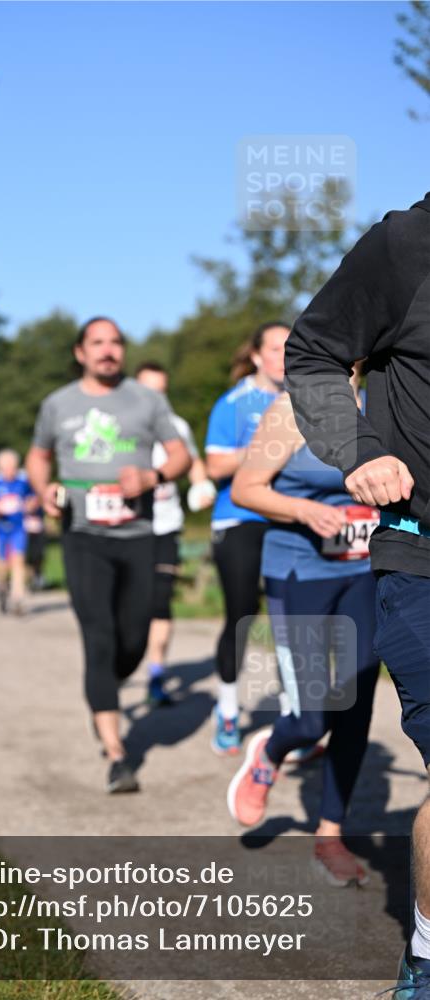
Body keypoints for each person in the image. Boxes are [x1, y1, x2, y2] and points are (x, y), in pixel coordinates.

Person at [283, 192, 430, 993]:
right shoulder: (407, 244)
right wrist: (357, 449)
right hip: (419, 554)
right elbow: (311, 354)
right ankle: (428, 964)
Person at [26, 316, 191, 793]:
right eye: (97, 343)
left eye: (115, 342)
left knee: (133, 641)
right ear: (80, 352)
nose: (107, 350)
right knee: (98, 637)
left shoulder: (147, 399)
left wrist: (153, 477)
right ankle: (118, 754)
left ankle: (105, 690)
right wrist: (44, 489)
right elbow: (38, 456)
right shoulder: (58, 404)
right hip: (82, 535)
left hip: (138, 533)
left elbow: (179, 456)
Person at [227, 373, 379, 884]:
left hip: (366, 571)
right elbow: (246, 489)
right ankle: (270, 751)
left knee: (356, 706)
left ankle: (330, 835)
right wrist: (304, 510)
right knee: (314, 717)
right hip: (300, 571)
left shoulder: (387, 400)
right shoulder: (293, 408)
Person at [204, 322, 290, 755]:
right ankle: (228, 708)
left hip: (290, 519)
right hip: (240, 519)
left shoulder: (306, 398)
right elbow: (215, 465)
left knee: (290, 617)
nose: (284, 356)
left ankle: (295, 715)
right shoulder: (235, 402)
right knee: (242, 615)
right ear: (256, 356)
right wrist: (270, 446)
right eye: (276, 349)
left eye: (290, 349)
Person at [135, 361, 213, 706]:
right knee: (128, 603)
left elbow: (193, 462)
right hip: (128, 528)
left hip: (166, 524)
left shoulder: (176, 426)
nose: (155, 397)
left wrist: (200, 484)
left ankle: (155, 673)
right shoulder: (122, 426)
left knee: (160, 600)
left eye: (161, 390)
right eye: (148, 389)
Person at [0, 449, 36, 614]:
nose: (9, 470)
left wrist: (30, 506)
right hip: (0, 530)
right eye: (5, 467)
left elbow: (33, 497)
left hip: (18, 528)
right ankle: (2, 589)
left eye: (11, 467)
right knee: (2, 566)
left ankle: (17, 598)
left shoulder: (22, 483)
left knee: (18, 561)